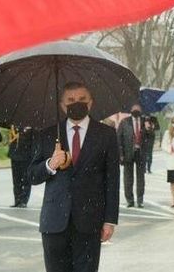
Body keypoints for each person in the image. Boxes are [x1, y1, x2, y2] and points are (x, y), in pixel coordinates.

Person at [30, 81, 119, 272]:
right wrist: (50, 164)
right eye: (70, 100)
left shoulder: (106, 134)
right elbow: (32, 175)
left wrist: (110, 220)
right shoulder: (48, 134)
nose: (76, 103)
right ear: (62, 105)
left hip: (89, 222)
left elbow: (112, 181)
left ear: (90, 102)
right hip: (54, 222)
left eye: (81, 99)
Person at [116, 103, 148, 208]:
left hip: (141, 153)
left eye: (138, 108)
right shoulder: (124, 122)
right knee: (128, 178)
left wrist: (149, 128)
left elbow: (151, 136)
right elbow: (118, 139)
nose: (136, 110)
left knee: (141, 178)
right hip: (128, 153)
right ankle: (130, 200)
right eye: (134, 108)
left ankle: (140, 200)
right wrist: (120, 154)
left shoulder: (145, 122)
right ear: (131, 110)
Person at [8, 125, 36, 208]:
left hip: (26, 156)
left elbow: (34, 141)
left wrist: (33, 155)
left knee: (26, 179)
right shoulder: (14, 124)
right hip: (15, 155)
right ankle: (17, 199)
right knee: (16, 179)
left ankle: (24, 200)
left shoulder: (31, 125)